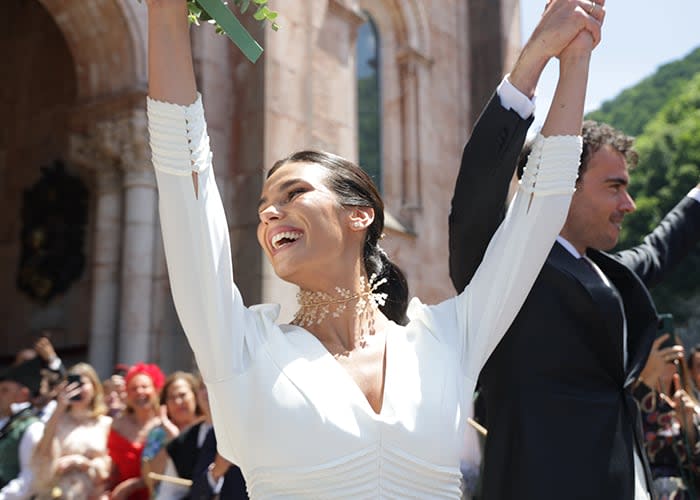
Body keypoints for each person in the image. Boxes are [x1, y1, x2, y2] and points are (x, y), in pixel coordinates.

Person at [144, 0, 592, 495]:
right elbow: (185, 179)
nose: (270, 213)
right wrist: (165, 13)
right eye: (263, 207)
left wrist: (572, 55)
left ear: (360, 216)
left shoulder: (446, 339)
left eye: (294, 194)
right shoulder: (240, 347)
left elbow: (539, 210)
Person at [449, 11, 700, 500]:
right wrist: (534, 62)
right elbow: (474, 198)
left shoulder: (611, 272)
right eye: (614, 187)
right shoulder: (506, 271)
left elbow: (669, 239)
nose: (629, 204)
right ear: (563, 184)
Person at [31, 363, 112, 500]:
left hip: (92, 494)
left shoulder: (105, 423)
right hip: (57, 494)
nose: (78, 390)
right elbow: (42, 452)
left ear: (94, 387)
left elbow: (109, 469)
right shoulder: (57, 421)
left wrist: (81, 462)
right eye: (73, 385)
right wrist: (59, 407)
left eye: (82, 384)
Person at [156, 381, 248, 499]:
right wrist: (216, 471)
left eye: (182, 395)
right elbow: (191, 492)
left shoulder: (252, 428)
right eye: (203, 387)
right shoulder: (204, 436)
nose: (207, 391)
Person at [634, 334, 700, 498]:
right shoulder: (631, 405)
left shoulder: (693, 409)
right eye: (659, 357)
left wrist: (689, 428)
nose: (665, 365)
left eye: (671, 357)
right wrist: (646, 382)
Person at [107, 362, 163, 500]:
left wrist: (134, 485)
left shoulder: (165, 424)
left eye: (145, 387)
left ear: (156, 390)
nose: (139, 392)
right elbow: (113, 470)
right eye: (134, 388)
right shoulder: (117, 425)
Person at [142, 371, 203, 494]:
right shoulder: (158, 434)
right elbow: (149, 479)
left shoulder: (207, 429)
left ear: (195, 396)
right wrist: (172, 443)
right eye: (172, 397)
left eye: (182, 395)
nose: (178, 402)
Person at [0, 358, 45, 499]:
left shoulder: (32, 427)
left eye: (4, 390)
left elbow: (30, 476)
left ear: (23, 394)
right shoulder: (5, 421)